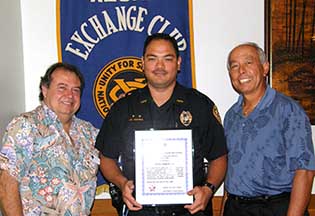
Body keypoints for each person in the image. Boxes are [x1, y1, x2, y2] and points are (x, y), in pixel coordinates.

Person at [96, 33, 227, 216]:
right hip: (140, 210)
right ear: (143, 62)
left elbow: (219, 156)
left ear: (179, 63)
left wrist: (208, 189)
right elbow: (106, 157)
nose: (159, 66)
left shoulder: (199, 105)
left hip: (189, 211)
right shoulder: (124, 107)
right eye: (152, 59)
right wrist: (121, 183)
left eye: (167, 59)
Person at [222, 42, 315, 216]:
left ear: (265, 68)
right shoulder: (231, 116)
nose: (241, 70)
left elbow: (305, 172)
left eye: (248, 63)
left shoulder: (288, 111)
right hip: (236, 208)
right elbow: (231, 170)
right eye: (235, 66)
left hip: (275, 208)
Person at [0, 62, 99, 215]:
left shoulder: (89, 132)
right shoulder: (26, 125)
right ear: (45, 90)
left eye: (75, 90)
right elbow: (7, 184)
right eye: (62, 87)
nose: (70, 95)